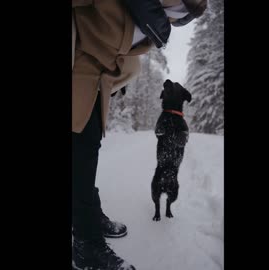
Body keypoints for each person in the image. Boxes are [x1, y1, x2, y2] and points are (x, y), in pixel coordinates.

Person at [72, 1, 207, 269]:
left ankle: (87, 216)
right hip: (79, 75)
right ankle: (87, 243)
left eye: (179, 16)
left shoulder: (151, 19)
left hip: (97, 85)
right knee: (81, 155)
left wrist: (118, 76)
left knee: (86, 155)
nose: (174, 18)